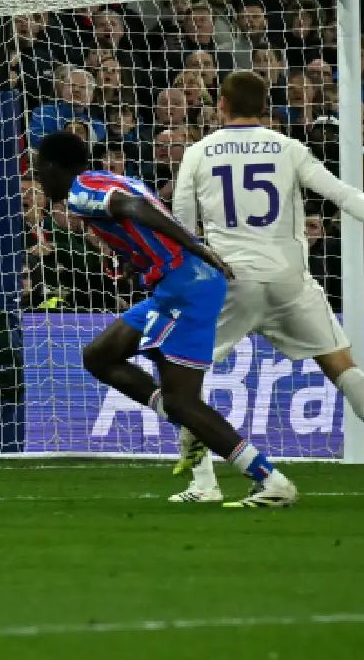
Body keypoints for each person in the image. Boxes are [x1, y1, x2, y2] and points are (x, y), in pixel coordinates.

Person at [168, 71, 364, 502]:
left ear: (221, 104)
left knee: (183, 378)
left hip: (232, 281)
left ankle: (204, 483)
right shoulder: (288, 148)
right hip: (290, 280)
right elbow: (342, 193)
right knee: (342, 364)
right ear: (265, 106)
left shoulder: (199, 152)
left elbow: (182, 224)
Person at [34, 130, 299, 508]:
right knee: (100, 356)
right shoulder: (111, 177)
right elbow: (138, 214)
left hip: (187, 286)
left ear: (53, 167)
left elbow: (131, 208)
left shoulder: (80, 190)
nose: (38, 180)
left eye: (39, 171)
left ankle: (270, 480)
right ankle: (196, 458)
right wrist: (135, 258)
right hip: (172, 285)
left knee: (183, 401)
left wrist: (193, 244)